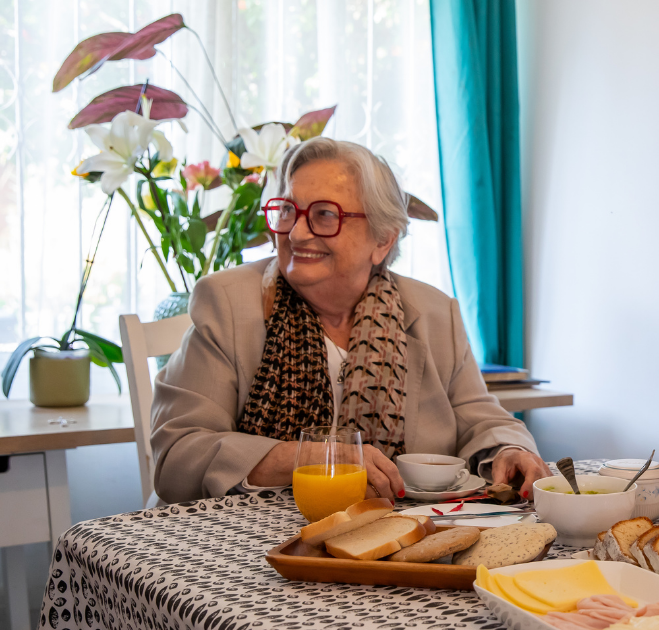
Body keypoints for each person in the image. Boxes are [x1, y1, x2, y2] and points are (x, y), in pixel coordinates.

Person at [152, 138, 548, 504]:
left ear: (383, 239)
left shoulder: (433, 312)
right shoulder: (227, 301)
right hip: (245, 539)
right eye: (288, 211)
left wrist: (510, 449)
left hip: (394, 533)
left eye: (324, 215)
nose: (297, 233)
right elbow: (177, 456)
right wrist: (308, 458)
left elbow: (483, 420)